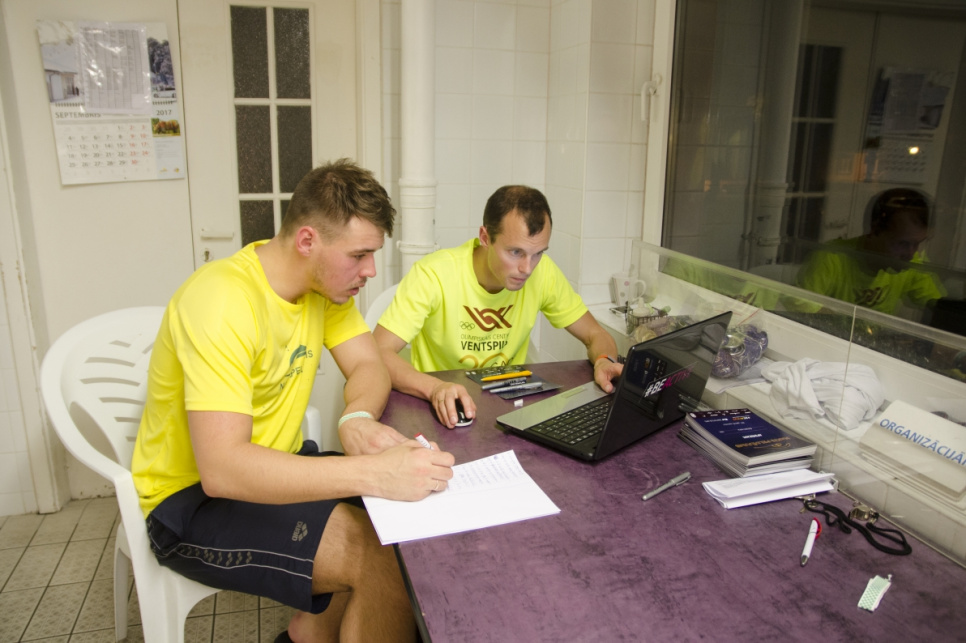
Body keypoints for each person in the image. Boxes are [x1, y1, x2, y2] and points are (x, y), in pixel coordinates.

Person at [131, 159, 454, 643]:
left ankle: (309, 633)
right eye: (360, 255)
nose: (370, 270)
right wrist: (373, 472)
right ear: (307, 241)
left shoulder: (324, 290)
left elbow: (369, 366)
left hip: (274, 466)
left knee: (408, 521)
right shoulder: (221, 300)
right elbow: (222, 469)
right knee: (383, 558)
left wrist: (356, 417)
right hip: (191, 501)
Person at [372, 185, 623, 428]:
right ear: (485, 238)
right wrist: (435, 388)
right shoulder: (432, 274)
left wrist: (604, 360)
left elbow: (596, 334)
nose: (527, 268)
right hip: (444, 408)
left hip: (509, 405)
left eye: (538, 253)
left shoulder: (543, 272)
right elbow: (379, 353)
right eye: (515, 252)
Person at [795, 188, 946, 317]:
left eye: (918, 244)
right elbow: (798, 301)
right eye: (902, 243)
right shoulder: (832, 256)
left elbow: (938, 305)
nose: (911, 254)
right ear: (874, 231)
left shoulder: (913, 261)